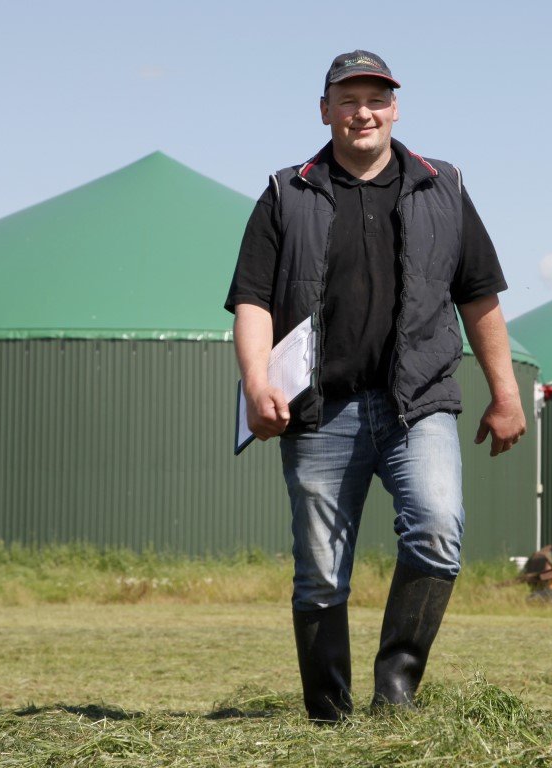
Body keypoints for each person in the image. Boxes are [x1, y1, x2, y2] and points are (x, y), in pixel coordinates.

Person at [224, 50, 526, 723]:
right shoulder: (286, 192)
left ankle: (395, 695)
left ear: (395, 109)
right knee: (320, 569)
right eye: (349, 99)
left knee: (437, 528)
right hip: (320, 410)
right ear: (324, 110)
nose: (363, 112)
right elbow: (252, 301)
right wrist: (255, 381)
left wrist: (506, 393)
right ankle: (329, 717)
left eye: (377, 99)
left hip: (417, 404)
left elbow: (479, 296)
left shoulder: (443, 185)